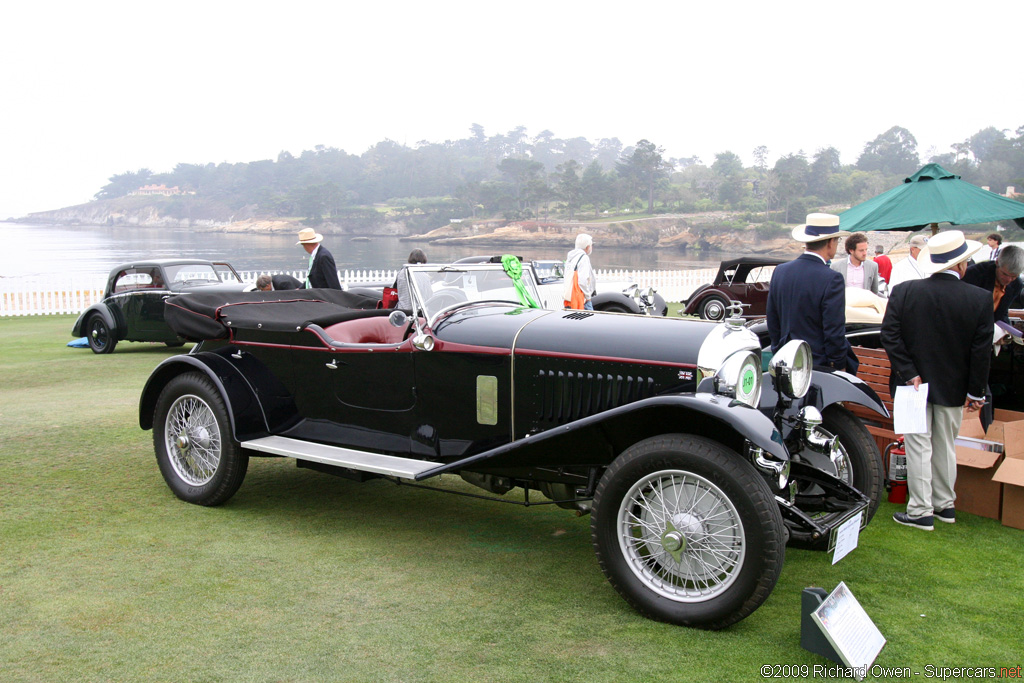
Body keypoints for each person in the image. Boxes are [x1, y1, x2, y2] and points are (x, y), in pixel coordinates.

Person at [881, 230, 992, 531]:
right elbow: (981, 352)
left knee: (919, 445)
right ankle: (944, 504)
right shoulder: (980, 299)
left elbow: (889, 336)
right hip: (954, 385)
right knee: (945, 445)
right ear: (961, 265)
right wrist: (976, 391)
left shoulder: (904, 291)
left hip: (910, 383)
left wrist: (909, 372)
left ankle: (920, 510)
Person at [766, 213, 857, 372]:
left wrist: (777, 350)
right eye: (837, 240)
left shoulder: (781, 271)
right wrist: (837, 365)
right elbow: (833, 331)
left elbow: (773, 320)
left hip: (783, 361)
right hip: (816, 365)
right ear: (830, 242)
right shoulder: (831, 278)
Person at [963, 245, 1024, 324]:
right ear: (997, 262)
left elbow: (1002, 313)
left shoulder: (1016, 284)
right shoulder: (973, 275)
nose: (1008, 280)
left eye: (1014, 276)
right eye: (1004, 274)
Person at [563, 233, 596, 311]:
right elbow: (582, 281)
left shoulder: (570, 258)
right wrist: (588, 297)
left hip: (569, 298)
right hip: (581, 299)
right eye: (591, 246)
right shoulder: (584, 258)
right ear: (587, 247)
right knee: (589, 322)